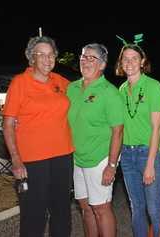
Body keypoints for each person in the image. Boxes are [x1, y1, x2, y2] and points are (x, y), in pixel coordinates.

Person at [3, 36, 74, 237]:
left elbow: (87, 94)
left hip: (62, 156)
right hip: (32, 160)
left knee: (62, 212)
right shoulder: (20, 83)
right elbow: (8, 124)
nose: (47, 59)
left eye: (51, 54)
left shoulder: (60, 81)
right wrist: (16, 160)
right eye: (41, 54)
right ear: (31, 58)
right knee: (34, 214)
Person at [67, 43, 124, 237]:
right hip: (77, 158)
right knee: (85, 207)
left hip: (99, 159)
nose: (85, 61)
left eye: (92, 58)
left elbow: (118, 131)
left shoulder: (110, 92)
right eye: (83, 57)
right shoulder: (72, 88)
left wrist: (111, 165)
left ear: (102, 65)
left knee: (101, 208)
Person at [115, 35, 160, 237]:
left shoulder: (154, 87)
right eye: (125, 59)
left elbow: (157, 128)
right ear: (120, 63)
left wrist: (151, 163)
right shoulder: (121, 90)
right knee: (137, 207)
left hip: (148, 153)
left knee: (153, 209)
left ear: (142, 61)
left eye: (134, 58)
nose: (129, 62)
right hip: (127, 155)